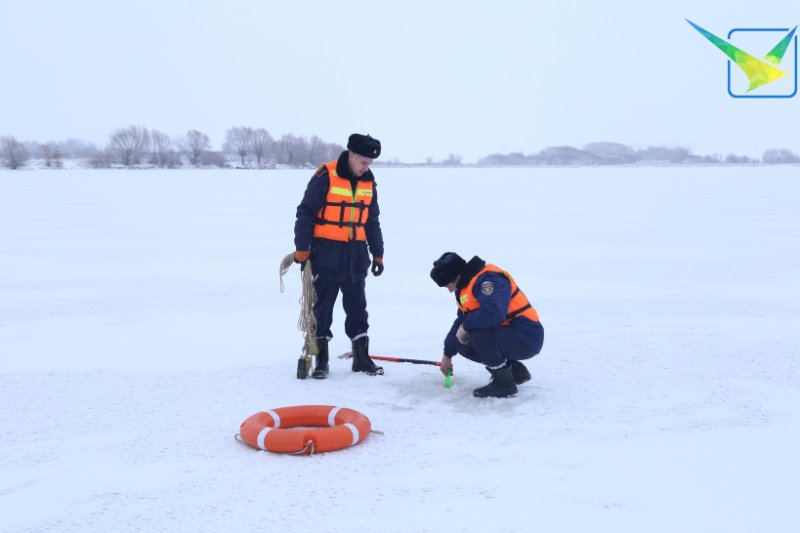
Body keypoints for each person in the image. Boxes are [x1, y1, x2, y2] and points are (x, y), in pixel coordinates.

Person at [293, 133, 385, 379]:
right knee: (322, 310)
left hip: (356, 258)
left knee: (358, 310)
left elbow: (372, 220)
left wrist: (378, 253)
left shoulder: (369, 183)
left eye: (370, 164)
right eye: (364, 162)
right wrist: (302, 249)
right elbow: (305, 213)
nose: (367, 167)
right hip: (325, 256)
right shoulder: (325, 176)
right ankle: (321, 361)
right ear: (351, 155)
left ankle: (362, 359)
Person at [430, 252, 544, 398]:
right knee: (461, 341)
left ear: (457, 276)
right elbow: (460, 322)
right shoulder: (466, 288)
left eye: (448, 285)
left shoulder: (489, 280)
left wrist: (466, 326)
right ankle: (515, 372)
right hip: (509, 334)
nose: (450, 290)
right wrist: (447, 355)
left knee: (478, 333)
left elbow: (494, 312)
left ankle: (504, 385)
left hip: (527, 335)